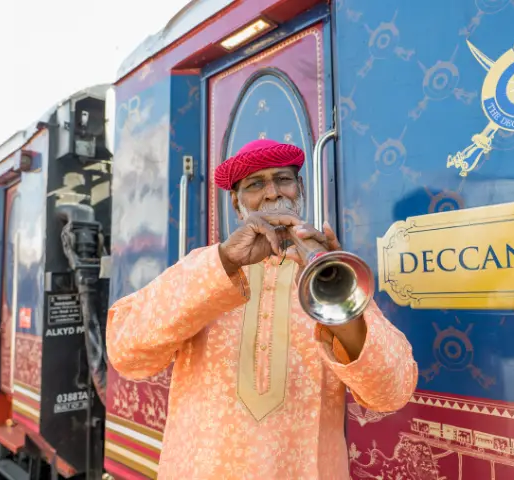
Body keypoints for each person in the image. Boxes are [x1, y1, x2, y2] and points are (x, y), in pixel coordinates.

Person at [106, 139, 418, 479]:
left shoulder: (331, 275)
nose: (272, 194)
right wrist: (225, 261)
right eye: (255, 184)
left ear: (300, 190)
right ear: (237, 204)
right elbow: (126, 353)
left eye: (283, 180)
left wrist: (334, 294)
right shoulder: (204, 269)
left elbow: (391, 392)